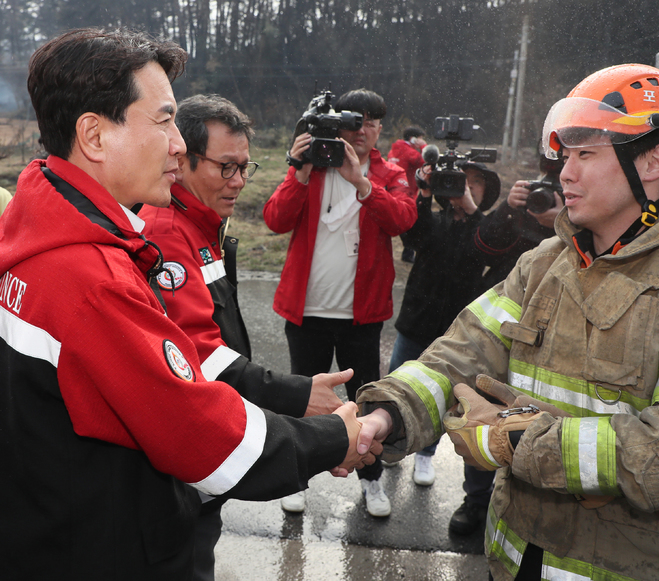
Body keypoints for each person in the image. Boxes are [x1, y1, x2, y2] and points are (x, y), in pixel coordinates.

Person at [0, 28, 379, 581]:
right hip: (103, 550)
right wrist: (334, 437)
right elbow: (199, 435)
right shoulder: (90, 277)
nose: (178, 143)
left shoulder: (38, 230)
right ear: (94, 135)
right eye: (163, 120)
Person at [356, 63, 659, 581]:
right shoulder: (543, 263)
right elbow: (461, 352)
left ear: (654, 160)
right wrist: (383, 415)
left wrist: (519, 441)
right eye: (565, 155)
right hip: (514, 562)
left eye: (585, 155)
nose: (564, 173)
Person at [139, 94, 347, 581]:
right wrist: (296, 394)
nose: (238, 181)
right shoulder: (169, 232)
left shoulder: (201, 223)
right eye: (225, 168)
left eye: (244, 167)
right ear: (183, 160)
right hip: (183, 461)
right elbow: (200, 352)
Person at [264, 88, 417, 517]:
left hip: (361, 315)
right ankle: (295, 478)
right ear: (339, 125)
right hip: (306, 310)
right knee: (302, 400)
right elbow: (275, 220)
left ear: (381, 128)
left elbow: (403, 219)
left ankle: (371, 481)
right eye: (355, 122)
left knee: (367, 399)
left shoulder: (390, 173)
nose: (363, 130)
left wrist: (361, 183)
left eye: (372, 122)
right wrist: (297, 168)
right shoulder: (311, 168)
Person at [446, 155, 564, 536]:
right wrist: (508, 212)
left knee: (536, 417)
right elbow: (483, 250)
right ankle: (477, 499)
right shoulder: (524, 203)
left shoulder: (586, 210)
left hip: (556, 331)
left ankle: (528, 496)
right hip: (509, 320)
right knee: (486, 411)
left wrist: (561, 222)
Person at [388, 157, 501, 491]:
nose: (466, 187)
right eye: (460, 180)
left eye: (475, 182)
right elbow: (413, 237)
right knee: (398, 382)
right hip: (417, 317)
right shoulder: (433, 221)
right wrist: (422, 194)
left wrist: (471, 210)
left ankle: (426, 454)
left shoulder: (486, 228)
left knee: (445, 394)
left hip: (457, 328)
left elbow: (490, 253)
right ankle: (392, 443)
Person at [388, 125, 427, 263]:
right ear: (414, 138)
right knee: (409, 223)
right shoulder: (408, 151)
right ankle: (409, 251)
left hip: (394, 190)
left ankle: (408, 252)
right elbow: (425, 161)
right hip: (407, 192)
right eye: (421, 138)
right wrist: (424, 146)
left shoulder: (395, 149)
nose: (422, 140)